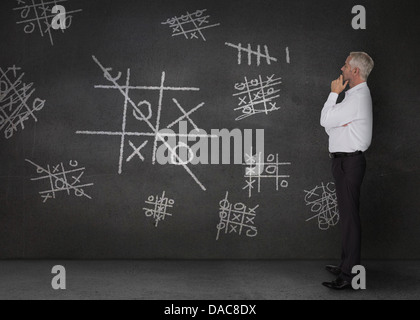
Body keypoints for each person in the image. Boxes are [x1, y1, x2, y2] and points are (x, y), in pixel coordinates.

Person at [320, 52, 374, 290]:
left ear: (355, 71)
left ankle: (350, 275)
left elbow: (325, 121)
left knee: (350, 219)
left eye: (345, 65)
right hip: (345, 162)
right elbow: (331, 127)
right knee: (347, 218)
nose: (341, 68)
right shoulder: (353, 96)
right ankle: (346, 265)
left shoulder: (356, 98)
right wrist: (334, 121)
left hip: (349, 163)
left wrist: (333, 94)